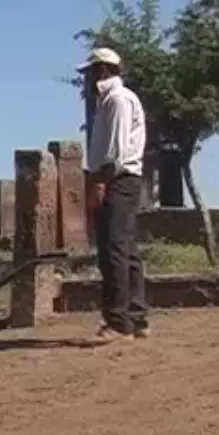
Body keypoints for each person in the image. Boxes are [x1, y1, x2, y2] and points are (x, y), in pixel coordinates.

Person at [80, 47, 148, 343]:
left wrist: (100, 183)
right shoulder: (109, 100)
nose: (86, 79)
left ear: (103, 70)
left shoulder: (117, 99)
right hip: (120, 179)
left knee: (114, 250)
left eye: (89, 72)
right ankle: (136, 317)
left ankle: (119, 322)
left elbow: (115, 151)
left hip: (117, 179)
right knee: (126, 249)